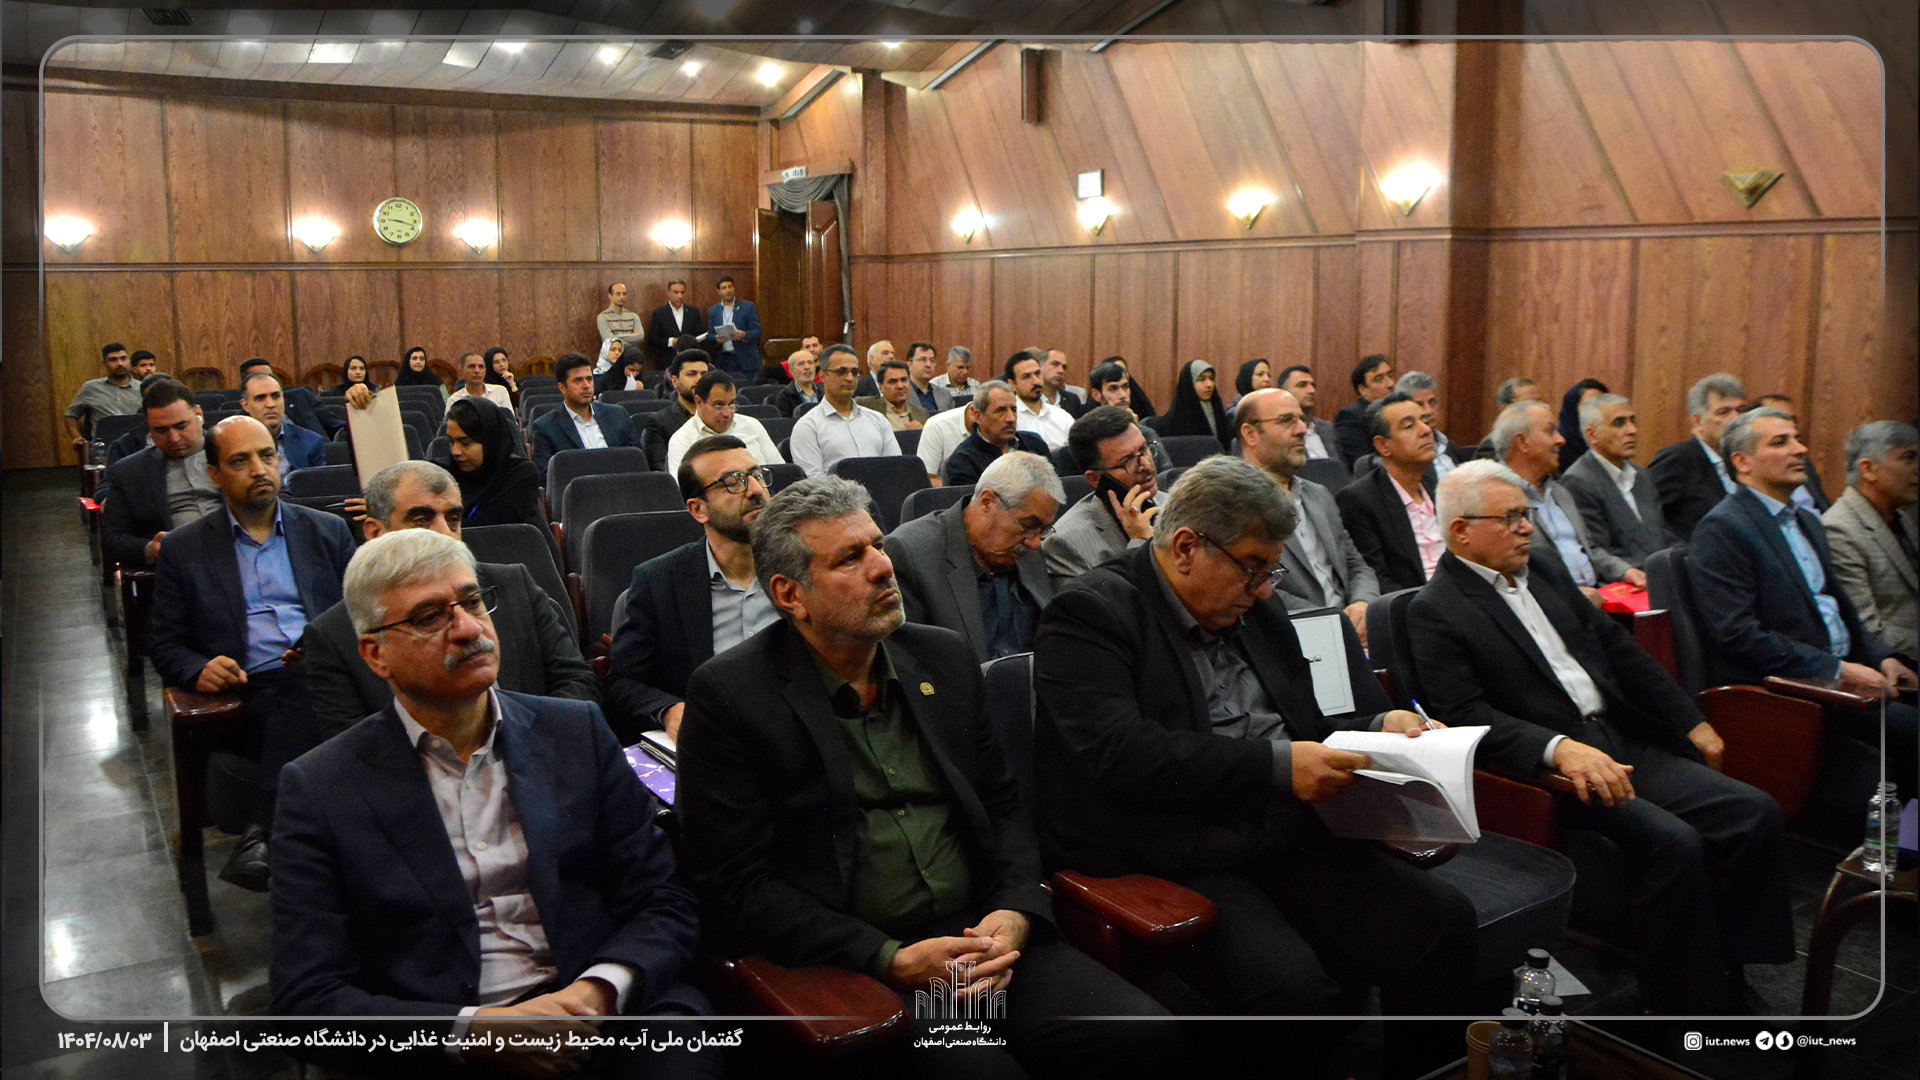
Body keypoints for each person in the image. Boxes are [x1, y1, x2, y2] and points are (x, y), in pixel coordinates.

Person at [677, 476, 1180, 1077]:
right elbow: (736, 884)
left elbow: (1004, 806)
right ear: (790, 594)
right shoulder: (732, 695)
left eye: (877, 544)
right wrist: (888, 957)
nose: (883, 566)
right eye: (850, 558)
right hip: (860, 963)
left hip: (981, 936)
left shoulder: (942, 657)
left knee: (1146, 1035)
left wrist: (1016, 912)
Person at [1032, 456, 1478, 1019]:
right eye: (1253, 567)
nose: (1265, 590)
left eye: (1272, 570)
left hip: (1284, 827)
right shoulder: (1090, 612)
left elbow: (1304, 730)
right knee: (1290, 991)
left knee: (1444, 924)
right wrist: (1279, 768)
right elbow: (1121, 755)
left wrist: (1376, 729)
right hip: (1173, 846)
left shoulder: (1255, 609)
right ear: (1187, 547)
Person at [269, 528, 715, 1077]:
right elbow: (306, 1001)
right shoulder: (320, 787)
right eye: (429, 617)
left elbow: (662, 900)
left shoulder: (575, 732)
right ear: (376, 654)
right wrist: (477, 1033)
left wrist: (599, 992)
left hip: (604, 1015)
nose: (468, 628)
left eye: (473, 601)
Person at [1407, 459, 1792, 1015]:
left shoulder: (1543, 568)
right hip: (1555, 769)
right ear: (1461, 530)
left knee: (1752, 812)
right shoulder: (1435, 609)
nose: (1527, 527)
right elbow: (1463, 714)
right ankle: (1681, 1000)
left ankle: (1730, 965)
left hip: (1619, 737)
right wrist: (1557, 748)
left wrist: (1689, 719)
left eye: (1525, 513)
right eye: (1509, 518)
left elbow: (1618, 649)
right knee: (1675, 843)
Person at [150, 415, 356, 891]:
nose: (260, 469)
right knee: (307, 695)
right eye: (240, 461)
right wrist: (197, 667)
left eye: (267, 456)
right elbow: (163, 643)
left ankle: (263, 828)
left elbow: (361, 614)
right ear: (215, 474)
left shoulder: (328, 531)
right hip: (248, 691)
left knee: (312, 674)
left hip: (329, 673)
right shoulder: (185, 549)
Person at [1688, 409, 1918, 785]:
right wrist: (1838, 670)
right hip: (1796, 692)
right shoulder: (1723, 528)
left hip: (1846, 676)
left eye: (1796, 439)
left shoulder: (1807, 522)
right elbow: (1738, 635)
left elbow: (1842, 611)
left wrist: (1883, 657)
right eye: (1781, 442)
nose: (1800, 449)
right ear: (1743, 462)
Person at [302, 460, 596, 739]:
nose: (445, 534)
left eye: (453, 519)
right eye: (422, 520)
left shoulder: (513, 584)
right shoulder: (333, 636)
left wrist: (524, 749)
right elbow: (356, 750)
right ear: (376, 532)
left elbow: (577, 682)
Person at [606, 436, 782, 742]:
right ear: (698, 509)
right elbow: (622, 683)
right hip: (718, 740)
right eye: (734, 482)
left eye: (756, 475)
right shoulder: (659, 581)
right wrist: (669, 711)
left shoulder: (803, 565)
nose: (756, 490)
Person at [888, 451, 1061, 664]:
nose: (1035, 543)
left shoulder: (1023, 545)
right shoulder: (911, 554)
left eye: (1043, 530)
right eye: (1029, 526)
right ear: (988, 501)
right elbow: (911, 665)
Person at [1237, 388, 1379, 642]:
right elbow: (1256, 588)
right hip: (1290, 636)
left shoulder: (1319, 495)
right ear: (1250, 434)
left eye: (1302, 419)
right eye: (1286, 420)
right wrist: (1333, 622)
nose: (1302, 429)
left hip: (1351, 629)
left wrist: (1363, 604)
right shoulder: (1234, 502)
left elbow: (1355, 564)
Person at [1490, 399, 1631, 593]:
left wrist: (1625, 571)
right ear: (1522, 442)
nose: (1561, 440)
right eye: (1550, 432)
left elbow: (1590, 549)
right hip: (1548, 603)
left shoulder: (1560, 491)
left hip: (1596, 594)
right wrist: (1571, 596)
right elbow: (1507, 572)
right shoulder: (1495, 497)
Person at [101, 377, 222, 568]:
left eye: (181, 426)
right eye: (161, 431)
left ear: (198, 414)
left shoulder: (235, 452)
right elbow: (112, 539)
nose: (173, 438)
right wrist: (149, 549)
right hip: (179, 566)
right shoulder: (129, 472)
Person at [1822, 421, 1919, 661]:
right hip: (1887, 669)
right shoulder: (1839, 529)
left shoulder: (1903, 519)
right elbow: (1866, 630)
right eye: (1909, 458)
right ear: (1868, 469)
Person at [1335, 391, 1444, 592]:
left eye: (1424, 421)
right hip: (1411, 602)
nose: (1426, 430)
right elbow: (1375, 577)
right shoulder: (1359, 500)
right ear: (1383, 446)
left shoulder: (1437, 487)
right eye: (1409, 426)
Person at [1558, 393, 1676, 576]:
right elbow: (1597, 550)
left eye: (1632, 421)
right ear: (1592, 435)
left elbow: (1661, 534)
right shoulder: (1578, 480)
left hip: (1660, 573)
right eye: (1619, 423)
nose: (1632, 430)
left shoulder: (1642, 475)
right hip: (1624, 580)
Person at [1044, 406, 1161, 582]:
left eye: (1144, 450)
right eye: (1128, 461)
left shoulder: (1175, 503)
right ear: (1096, 478)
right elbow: (1107, 600)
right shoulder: (1065, 544)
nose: (1146, 465)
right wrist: (1138, 545)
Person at [1650, 372, 1747, 540]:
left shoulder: (1744, 462)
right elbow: (1648, 518)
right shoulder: (1679, 459)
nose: (1736, 419)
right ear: (1697, 421)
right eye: (1723, 412)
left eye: (1740, 410)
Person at [789, 344, 901, 477]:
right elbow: (813, 482)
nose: (849, 378)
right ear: (823, 376)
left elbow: (896, 469)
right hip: (834, 491)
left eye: (854, 372)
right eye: (841, 372)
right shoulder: (808, 427)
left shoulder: (878, 420)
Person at [528, 353, 644, 478]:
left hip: (621, 485)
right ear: (562, 388)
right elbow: (548, 478)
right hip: (578, 488)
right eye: (578, 381)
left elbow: (638, 462)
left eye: (589, 379)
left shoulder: (618, 415)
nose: (586, 386)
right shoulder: (545, 427)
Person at [443, 397, 544, 530]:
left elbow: (487, 529)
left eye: (466, 443)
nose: (455, 451)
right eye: (451, 442)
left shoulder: (520, 474)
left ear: (490, 442)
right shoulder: (442, 474)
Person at [663, 369, 784, 475]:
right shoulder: (682, 440)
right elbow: (684, 490)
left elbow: (780, 473)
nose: (727, 413)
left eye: (731, 404)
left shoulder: (752, 426)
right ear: (699, 402)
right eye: (719, 405)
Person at [942, 380, 1050, 488]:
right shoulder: (963, 461)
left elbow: (1055, 489)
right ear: (978, 416)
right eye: (1000, 411)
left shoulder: (1035, 443)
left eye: (1013, 409)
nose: (1011, 418)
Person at [1084, 361, 1173, 472]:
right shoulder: (1086, 435)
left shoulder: (1146, 433)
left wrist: (1133, 429)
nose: (1122, 395)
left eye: (1125, 387)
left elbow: (1166, 475)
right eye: (1113, 389)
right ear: (1096, 395)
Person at [1754, 394, 1833, 513]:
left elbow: (1823, 506)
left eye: (1792, 420)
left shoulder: (1802, 460)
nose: (1788, 425)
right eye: (1779, 418)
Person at [240, 371, 327, 477]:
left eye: (276, 396)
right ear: (246, 405)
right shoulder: (232, 444)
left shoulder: (311, 441)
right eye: (260, 398)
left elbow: (318, 485)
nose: (271, 404)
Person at [64, 341, 141, 453]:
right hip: (102, 451)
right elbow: (71, 416)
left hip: (136, 449)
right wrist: (77, 438)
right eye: (113, 360)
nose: (120, 363)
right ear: (104, 364)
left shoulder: (142, 388)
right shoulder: (91, 388)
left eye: (123, 358)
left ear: (129, 360)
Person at [641, 351, 710, 471]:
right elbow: (660, 469)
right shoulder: (660, 422)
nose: (699, 380)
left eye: (704, 375)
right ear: (674, 381)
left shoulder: (722, 415)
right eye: (691, 374)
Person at [1394, 371, 1461, 475]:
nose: (1429, 411)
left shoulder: (1448, 446)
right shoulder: (1404, 455)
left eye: (1432, 402)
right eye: (1419, 404)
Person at [1333, 354, 1396, 463]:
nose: (1391, 384)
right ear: (1363, 390)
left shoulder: (1398, 411)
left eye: (1390, 376)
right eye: (1379, 379)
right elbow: (1362, 463)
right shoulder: (1350, 417)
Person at [1006, 351, 1074, 451]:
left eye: (1038, 374)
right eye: (1026, 377)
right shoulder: (1008, 418)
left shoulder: (1063, 417)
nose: (1036, 381)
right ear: (1012, 384)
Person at [1276, 365, 1341, 465]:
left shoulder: (1327, 428)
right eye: (1302, 385)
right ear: (1284, 392)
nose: (1312, 390)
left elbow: (1342, 468)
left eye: (1313, 385)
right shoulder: (1279, 430)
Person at [1160, 359, 1230, 450]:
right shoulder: (1175, 420)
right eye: (1202, 379)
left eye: (1211, 378)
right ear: (1189, 383)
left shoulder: (1218, 411)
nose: (1209, 384)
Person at [706, 274, 761, 378]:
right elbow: (710, 335)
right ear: (718, 291)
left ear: (734, 288)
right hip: (724, 361)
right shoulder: (713, 311)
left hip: (746, 361)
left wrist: (744, 335)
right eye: (724, 288)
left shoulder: (748, 307)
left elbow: (758, 331)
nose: (728, 290)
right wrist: (716, 339)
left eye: (730, 287)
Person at [646, 280, 708, 370]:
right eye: (676, 292)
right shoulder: (659, 313)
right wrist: (672, 341)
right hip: (668, 361)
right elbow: (652, 340)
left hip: (690, 361)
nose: (680, 296)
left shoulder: (693, 312)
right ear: (668, 293)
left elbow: (700, 336)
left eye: (682, 292)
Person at [855, 358, 929, 431]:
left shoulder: (921, 413)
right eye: (893, 381)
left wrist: (922, 432)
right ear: (881, 387)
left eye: (904, 380)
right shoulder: (866, 406)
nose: (900, 386)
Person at [1556, 378, 1611, 475]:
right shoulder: (1559, 446)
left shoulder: (1609, 445)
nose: (1597, 411)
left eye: (1602, 405)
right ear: (1572, 407)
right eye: (1590, 405)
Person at [447, 351, 513, 410]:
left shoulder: (500, 392)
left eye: (481, 367)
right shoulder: (454, 400)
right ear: (461, 371)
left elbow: (509, 419)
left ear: (485, 371)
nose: (477, 371)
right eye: (472, 366)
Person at [903, 341, 953, 414]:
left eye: (932, 361)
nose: (928, 365)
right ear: (909, 365)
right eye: (923, 360)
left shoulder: (945, 395)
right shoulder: (902, 394)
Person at [1038, 347, 1087, 419]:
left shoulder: (1072, 400)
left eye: (1064, 367)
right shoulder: (1029, 398)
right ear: (1039, 367)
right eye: (1055, 364)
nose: (1061, 371)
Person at [596, 280, 645, 352]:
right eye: (618, 294)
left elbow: (640, 337)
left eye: (624, 294)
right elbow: (609, 340)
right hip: (613, 355)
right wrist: (632, 340)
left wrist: (617, 337)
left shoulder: (633, 316)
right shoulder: (603, 317)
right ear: (610, 296)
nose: (622, 297)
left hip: (631, 354)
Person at [773, 348, 820, 418]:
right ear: (792, 371)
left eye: (810, 363)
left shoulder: (826, 393)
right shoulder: (784, 398)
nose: (807, 367)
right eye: (801, 364)